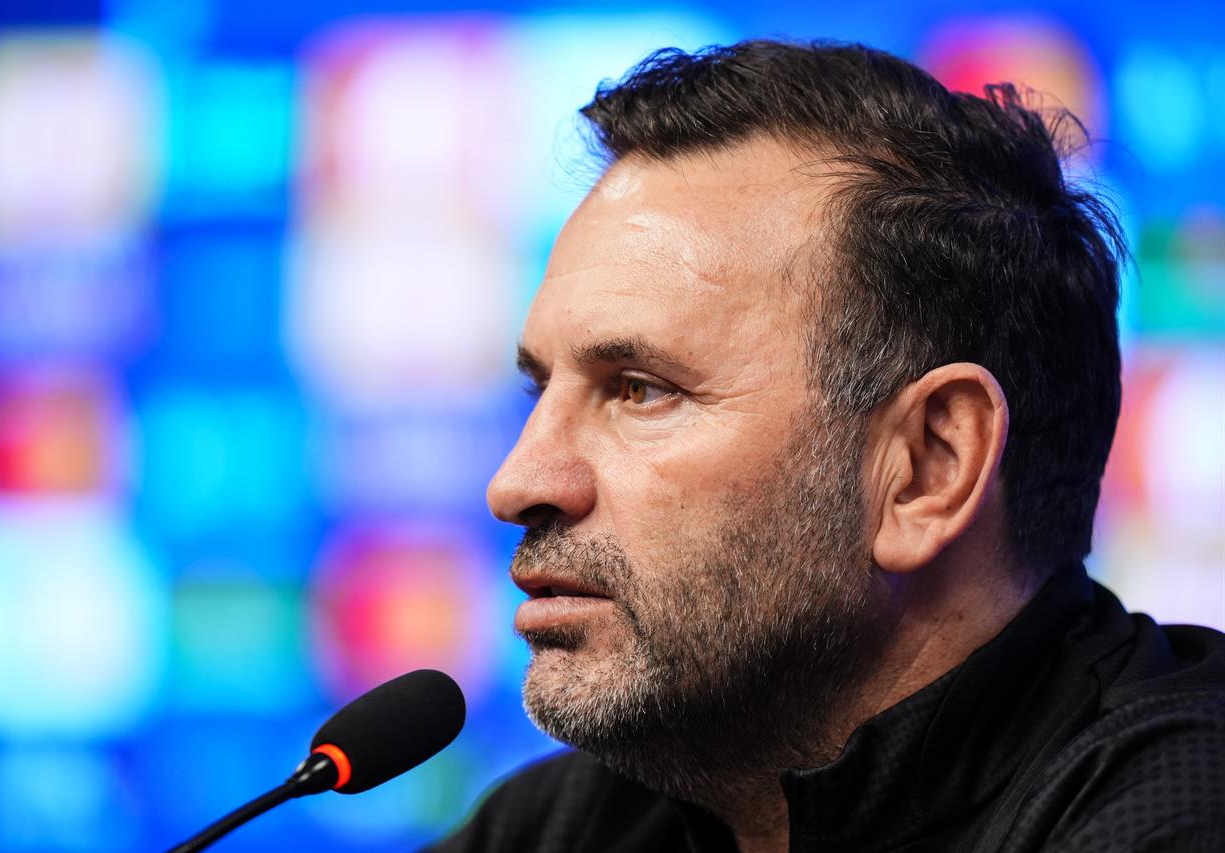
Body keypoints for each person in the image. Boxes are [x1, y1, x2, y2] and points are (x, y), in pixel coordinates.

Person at [433, 39, 1225, 852]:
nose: (517, 481)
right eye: (539, 389)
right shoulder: (562, 826)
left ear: (928, 467)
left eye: (641, 388)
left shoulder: (1177, 810)